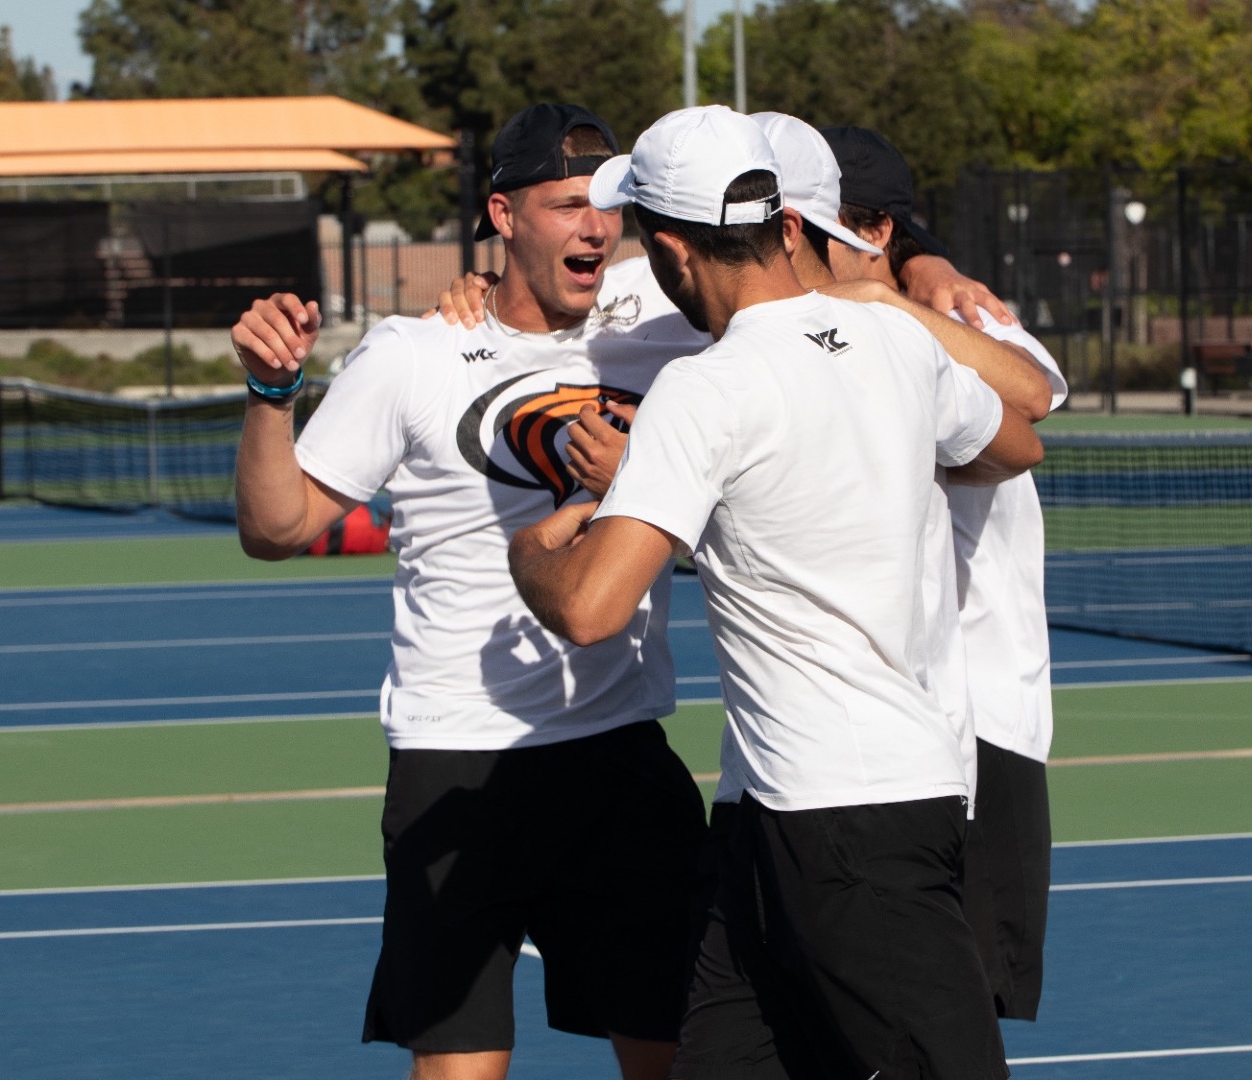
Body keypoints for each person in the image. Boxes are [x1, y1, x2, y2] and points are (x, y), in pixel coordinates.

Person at [508, 104, 1044, 1080]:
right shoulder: (901, 348)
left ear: (671, 249)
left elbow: (589, 607)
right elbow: (1014, 445)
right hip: (770, 817)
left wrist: (532, 552)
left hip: (852, 823)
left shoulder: (704, 391)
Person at [228, 103, 706, 1080]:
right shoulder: (413, 355)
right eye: (566, 204)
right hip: (457, 764)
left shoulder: (668, 327)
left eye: (607, 208)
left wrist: (925, 266)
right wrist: (271, 397)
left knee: (684, 1052)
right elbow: (277, 529)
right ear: (502, 212)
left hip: (622, 761)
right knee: (460, 1066)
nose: (594, 227)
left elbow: (817, 281)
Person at [823, 123, 1069, 1024]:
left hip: (985, 726)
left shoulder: (963, 314)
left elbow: (1032, 398)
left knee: (964, 1018)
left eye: (813, 222)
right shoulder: (799, 330)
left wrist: (910, 291)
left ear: (875, 230)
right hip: (865, 729)